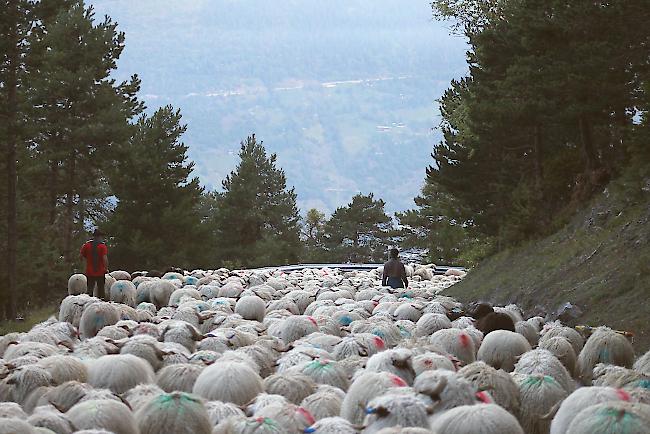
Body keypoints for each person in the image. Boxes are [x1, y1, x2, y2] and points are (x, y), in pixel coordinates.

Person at [80, 228, 109, 300]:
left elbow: (81, 256)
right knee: (101, 290)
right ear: (99, 237)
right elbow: (104, 258)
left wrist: (85, 264)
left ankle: (88, 304)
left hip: (89, 272)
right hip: (100, 272)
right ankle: (101, 304)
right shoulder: (102, 246)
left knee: (90, 290)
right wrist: (106, 268)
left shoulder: (86, 245)